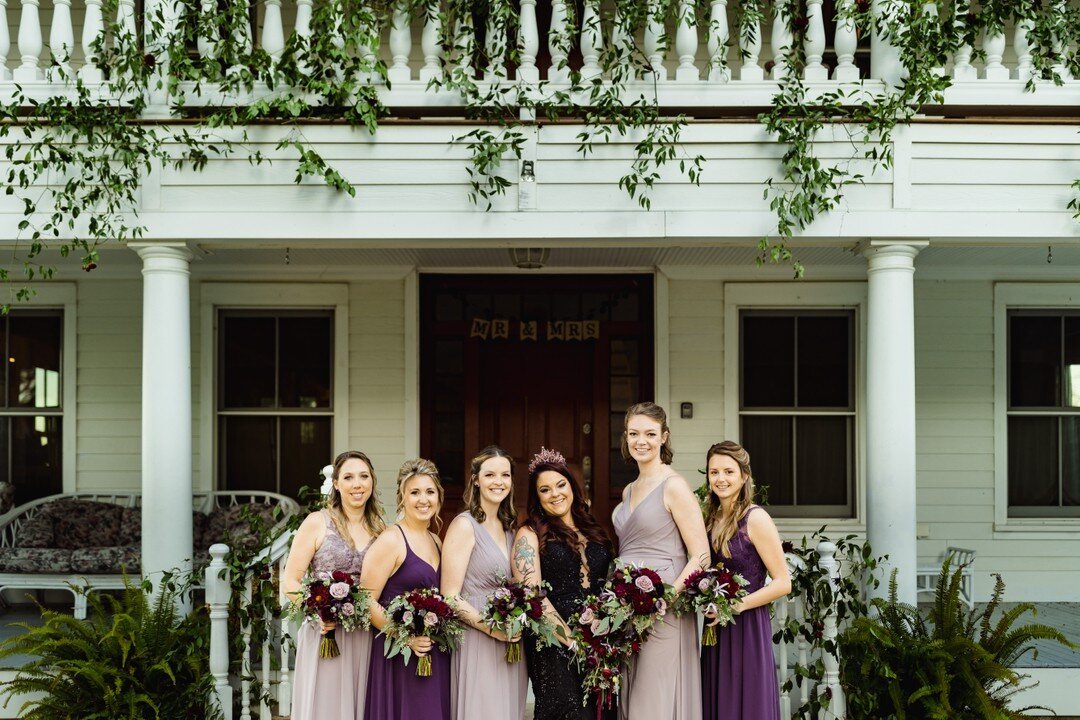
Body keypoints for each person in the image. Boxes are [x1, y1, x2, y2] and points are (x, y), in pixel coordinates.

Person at [612, 402, 710, 720]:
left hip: (664, 606)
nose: (642, 441)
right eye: (634, 433)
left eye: (650, 434)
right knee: (629, 693)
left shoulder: (675, 486)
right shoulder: (628, 490)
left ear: (664, 437)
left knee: (652, 698)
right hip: (626, 606)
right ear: (625, 438)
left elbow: (701, 555)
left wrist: (665, 598)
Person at [513, 447, 615, 720]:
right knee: (568, 711)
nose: (555, 494)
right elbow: (532, 596)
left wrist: (599, 637)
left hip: (596, 638)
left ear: (572, 487)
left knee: (601, 712)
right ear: (536, 497)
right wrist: (573, 644)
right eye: (545, 490)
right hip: (553, 641)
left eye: (561, 485)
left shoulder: (592, 528)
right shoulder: (530, 533)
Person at [283, 450, 386, 720]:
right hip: (325, 633)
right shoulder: (317, 522)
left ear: (372, 482)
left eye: (364, 476)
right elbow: (290, 580)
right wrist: (315, 612)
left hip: (364, 634)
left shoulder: (381, 530)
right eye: (349, 477)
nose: (357, 484)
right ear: (337, 484)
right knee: (325, 707)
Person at [700, 441, 790, 720]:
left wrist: (735, 606)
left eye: (728, 471)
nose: (720, 479)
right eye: (714, 472)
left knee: (746, 704)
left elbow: (783, 582)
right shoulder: (709, 518)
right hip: (714, 628)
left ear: (744, 476)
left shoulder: (756, 518)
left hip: (746, 626)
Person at [442, 446, 528, 720]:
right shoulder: (464, 525)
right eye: (490, 474)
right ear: (476, 479)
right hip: (478, 637)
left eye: (505, 475)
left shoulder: (510, 527)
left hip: (511, 640)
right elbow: (450, 596)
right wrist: (492, 630)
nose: (498, 482)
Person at [362, 458, 450, 720]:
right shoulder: (391, 540)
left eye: (430, 492)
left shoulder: (435, 540)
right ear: (402, 498)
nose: (423, 500)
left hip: (434, 653)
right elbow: (365, 600)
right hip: (400, 656)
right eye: (415, 492)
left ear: (439, 497)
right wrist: (406, 638)